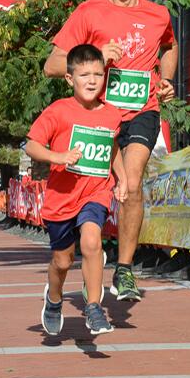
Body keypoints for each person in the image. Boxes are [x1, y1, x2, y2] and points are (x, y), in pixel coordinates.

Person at [43, 0, 177, 302]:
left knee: (131, 183)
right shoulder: (89, 12)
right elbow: (53, 65)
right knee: (88, 197)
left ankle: (125, 268)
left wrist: (165, 78)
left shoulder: (158, 14)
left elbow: (170, 47)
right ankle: (72, 259)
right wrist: (99, 58)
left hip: (141, 111)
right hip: (97, 116)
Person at [27, 44, 127, 336]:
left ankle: (94, 308)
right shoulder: (58, 111)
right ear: (70, 79)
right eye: (84, 75)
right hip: (61, 199)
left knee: (93, 242)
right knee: (62, 261)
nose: (93, 80)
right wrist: (58, 157)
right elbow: (32, 145)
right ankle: (54, 300)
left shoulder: (111, 115)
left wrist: (121, 178)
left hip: (95, 192)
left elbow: (112, 148)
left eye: (98, 73)